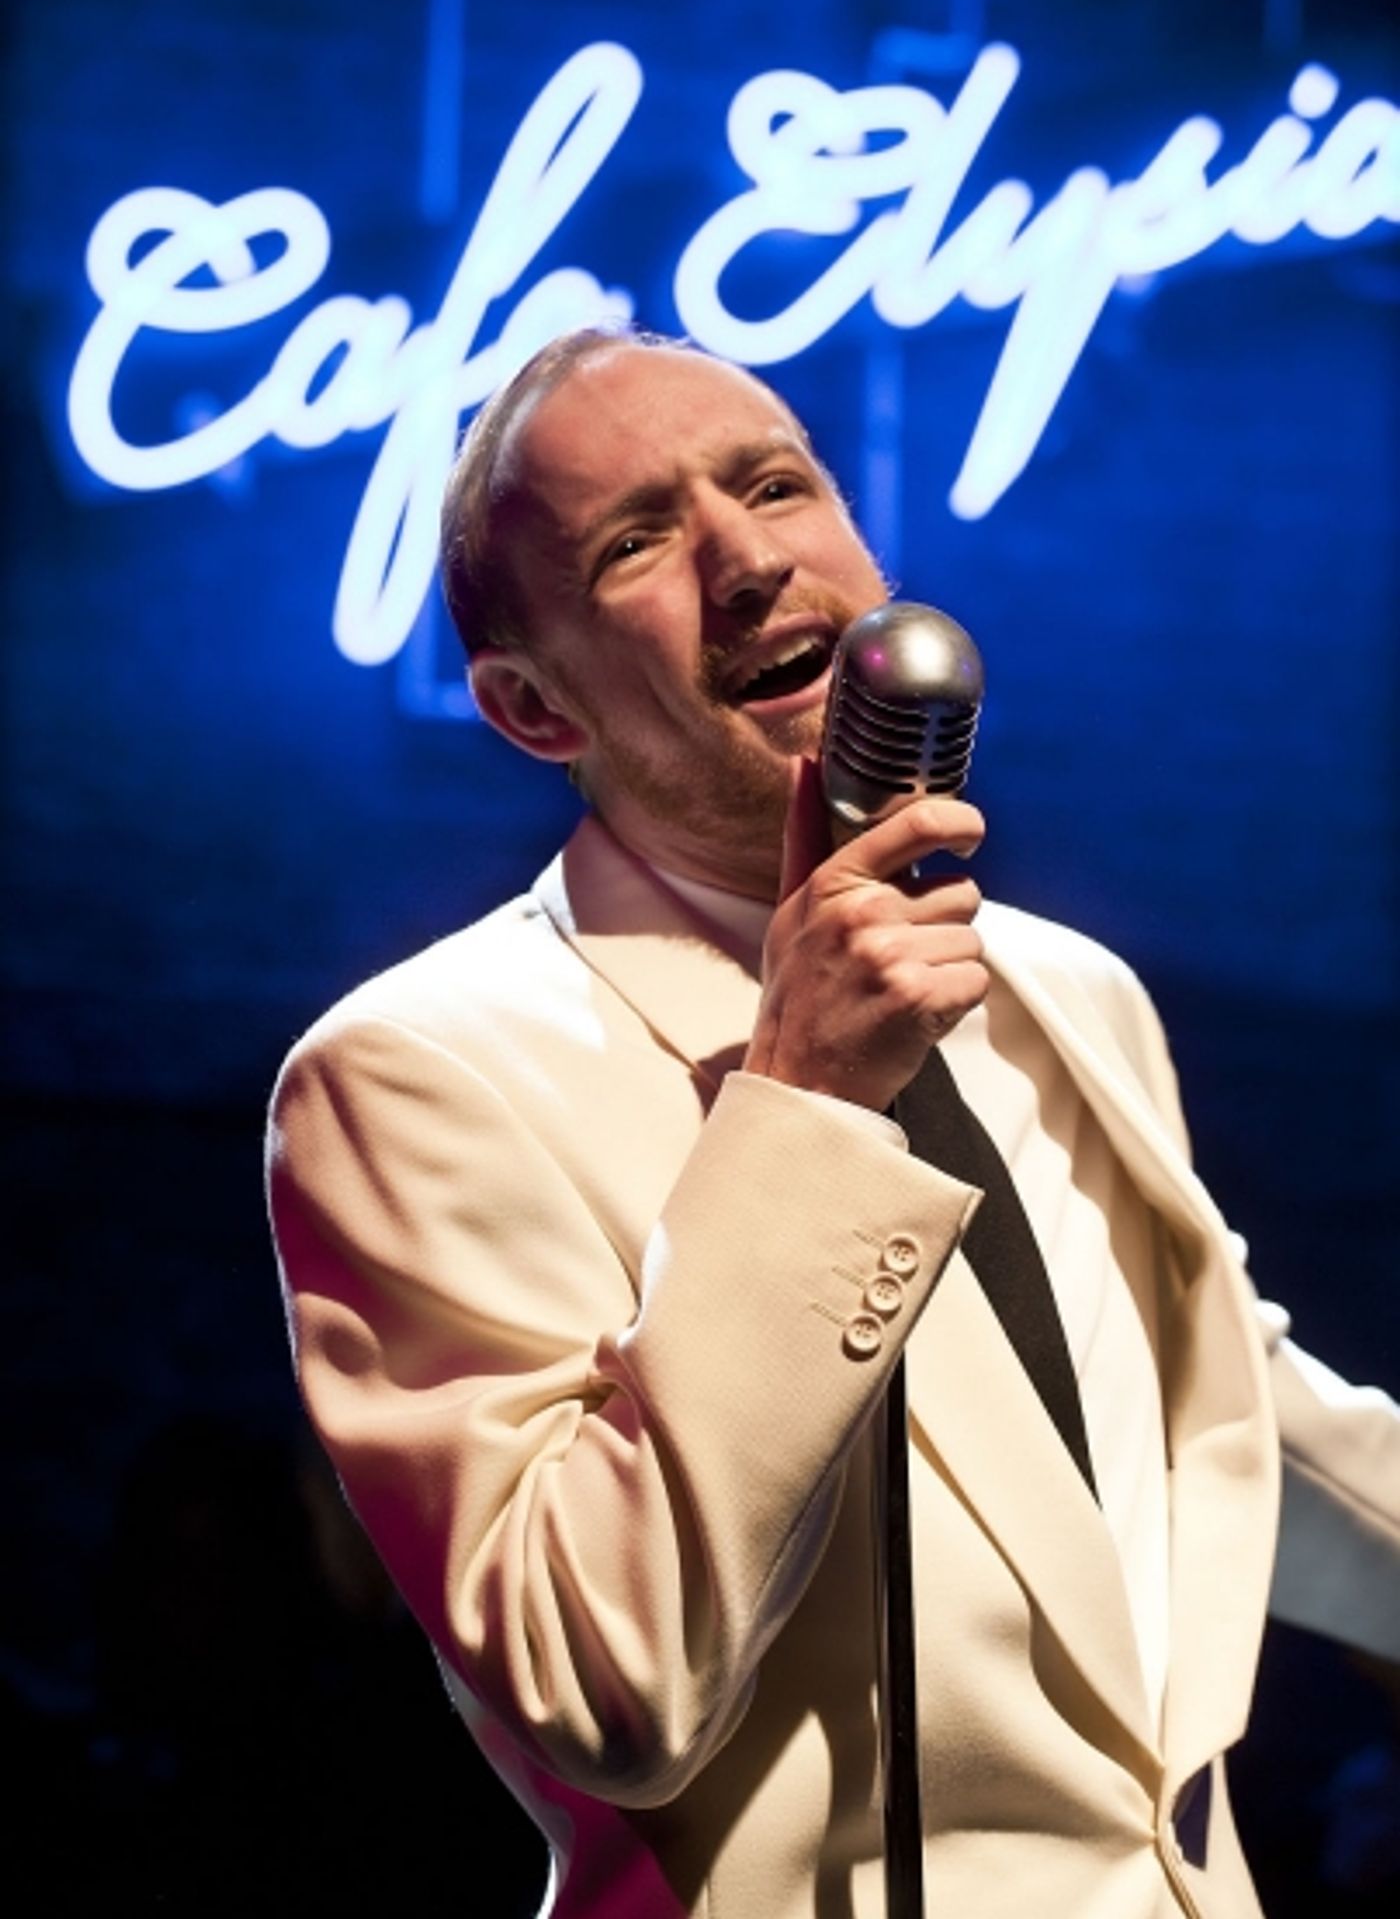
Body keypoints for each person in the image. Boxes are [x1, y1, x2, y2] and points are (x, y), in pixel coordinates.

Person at [267, 327, 1400, 1919]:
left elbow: (1220, 1421)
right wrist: (797, 1105)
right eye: (637, 541)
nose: (744, 557)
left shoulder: (1068, 989)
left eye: (775, 485)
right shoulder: (413, 1075)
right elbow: (601, 1680)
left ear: (864, 559)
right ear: (531, 710)